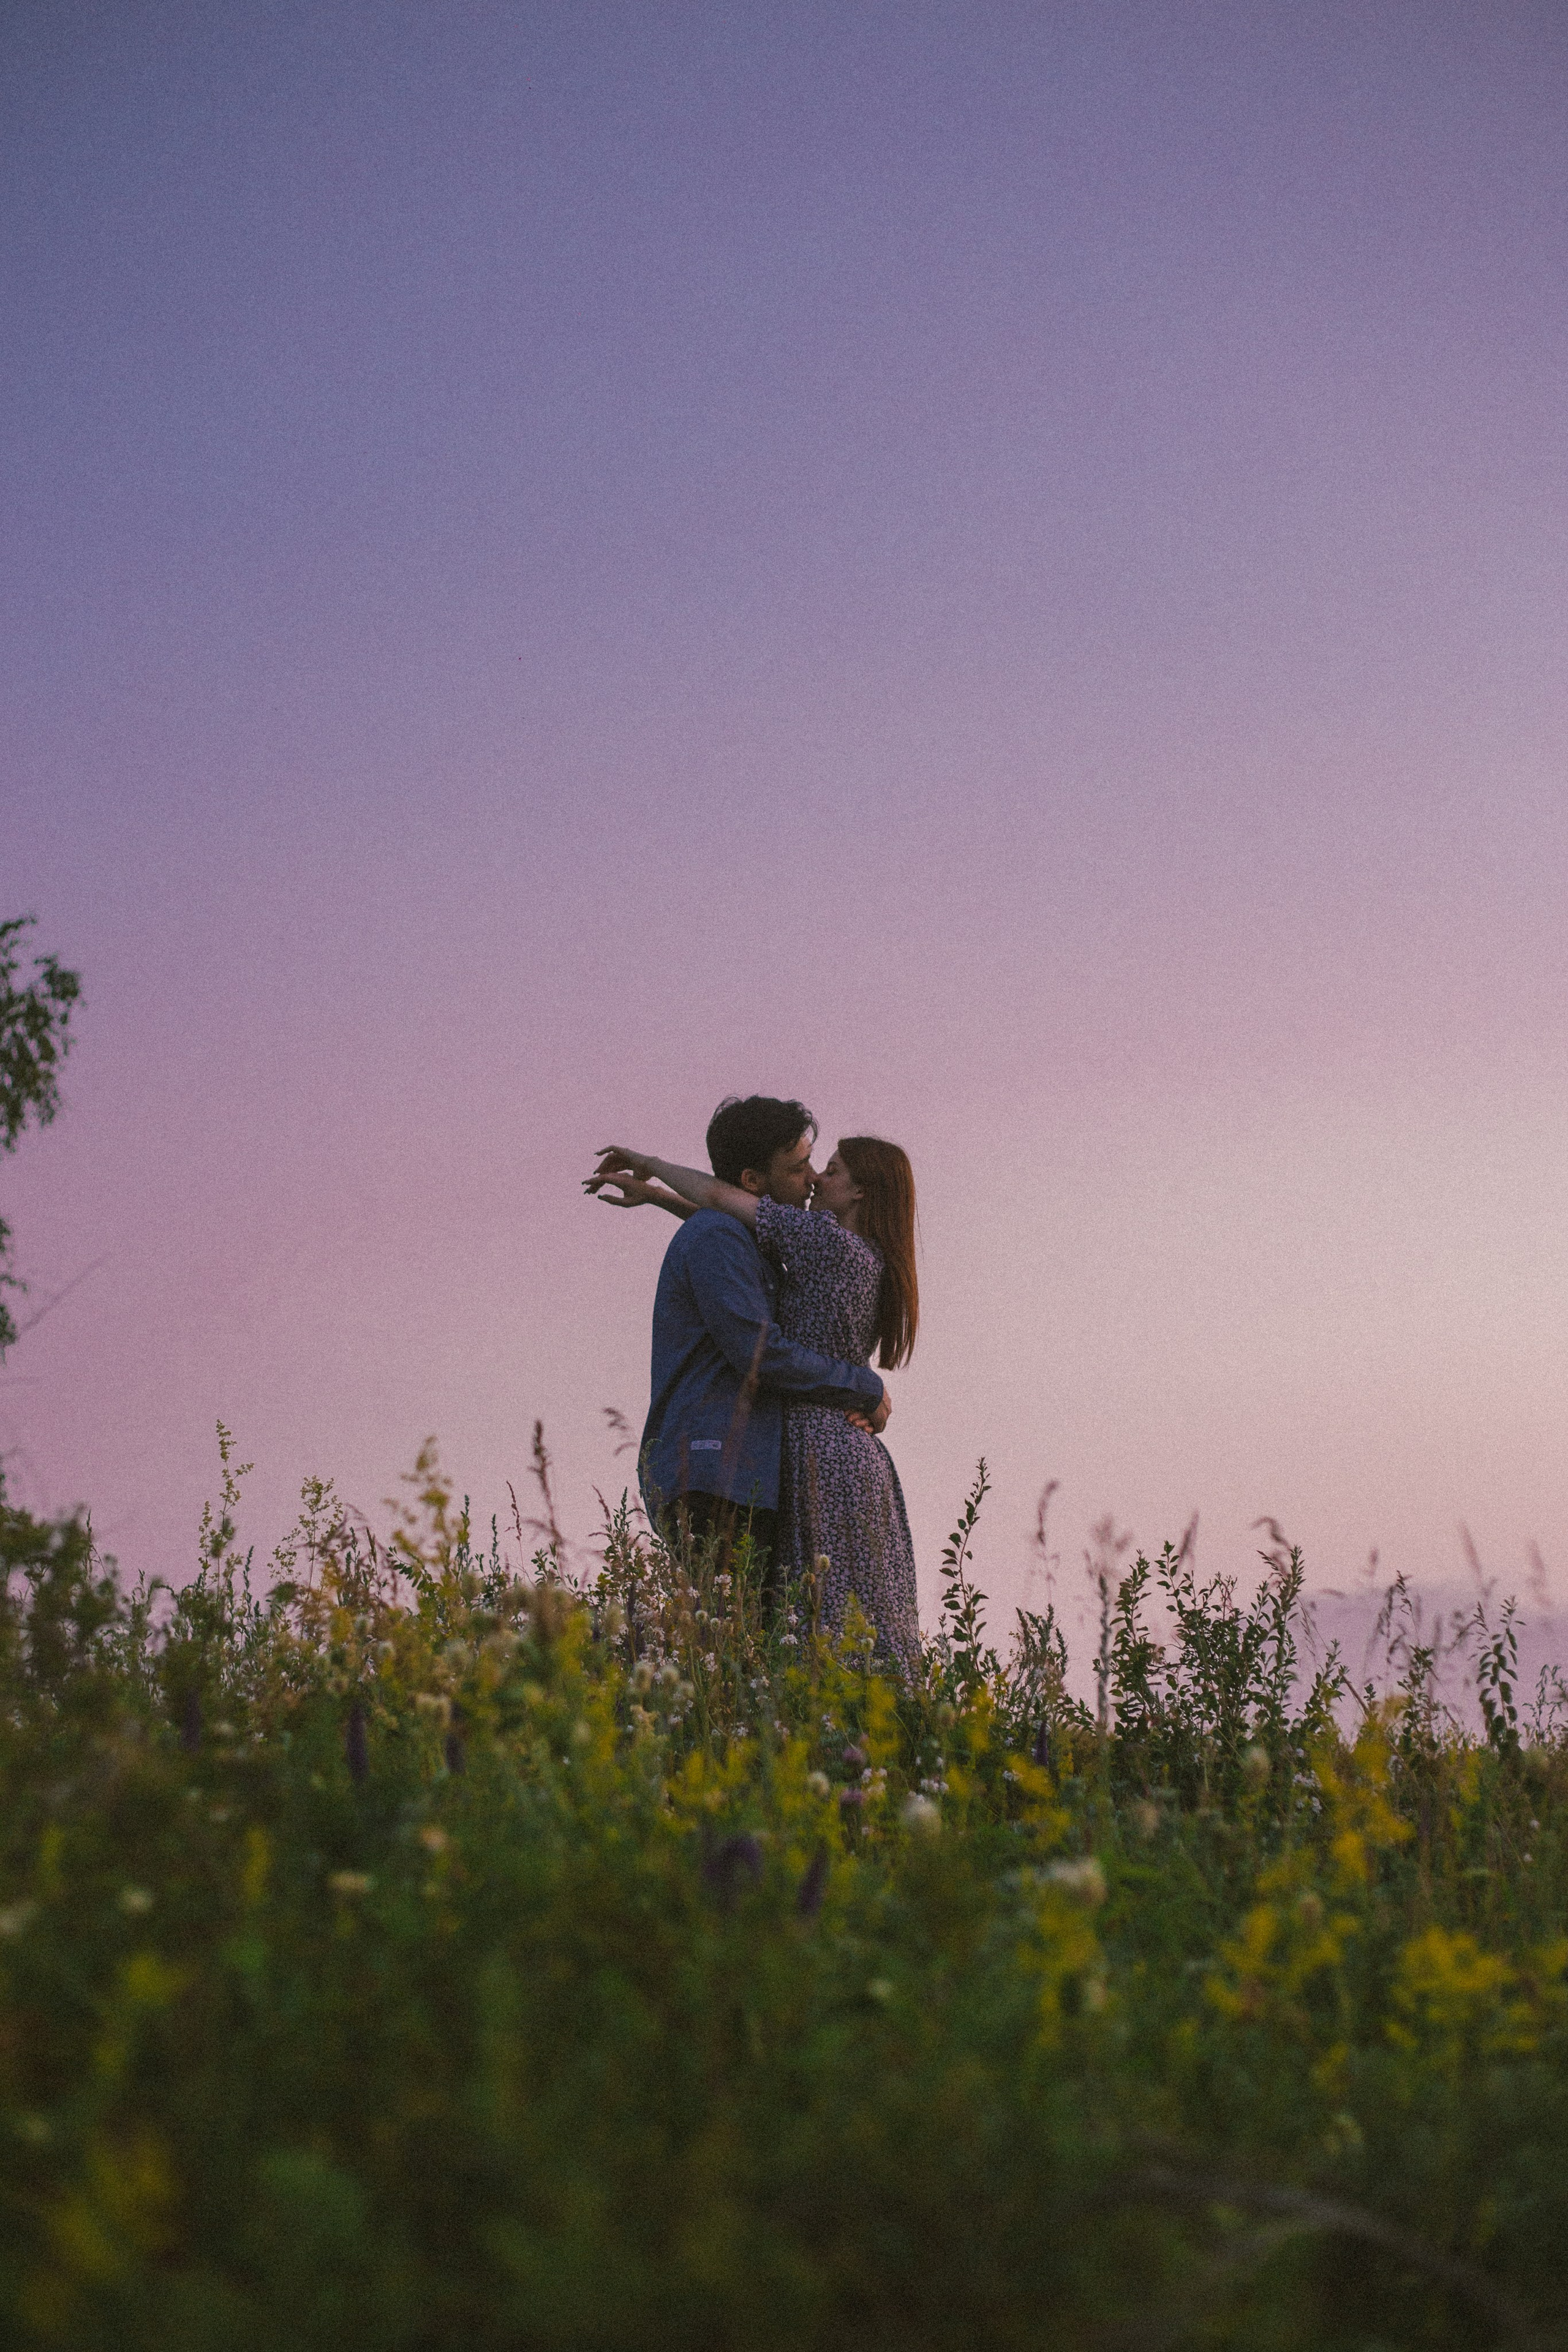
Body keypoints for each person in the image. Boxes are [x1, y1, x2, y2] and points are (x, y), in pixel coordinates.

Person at [587, 1114, 921, 1673]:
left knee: (811, 1621)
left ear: (860, 1191)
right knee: (846, 1617)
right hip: (844, 1446)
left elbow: (721, 1205)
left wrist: (648, 1166)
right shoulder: (858, 1255)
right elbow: (724, 1222)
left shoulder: (824, 1245)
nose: (816, 1178)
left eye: (828, 1169)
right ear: (756, 1178)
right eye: (804, 1166)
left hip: (818, 1447)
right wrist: (653, 1193)